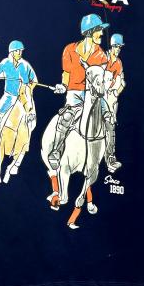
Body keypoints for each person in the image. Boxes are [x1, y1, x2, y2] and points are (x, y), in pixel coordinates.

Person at [49, 14, 121, 172]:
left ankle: (110, 156)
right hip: (74, 92)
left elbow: (100, 79)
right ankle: (56, 151)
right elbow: (66, 73)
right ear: (90, 32)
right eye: (99, 30)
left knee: (109, 120)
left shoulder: (101, 55)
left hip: (94, 94)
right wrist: (63, 86)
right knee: (66, 117)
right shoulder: (69, 50)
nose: (101, 33)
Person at [0, 40, 37, 146]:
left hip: (23, 94)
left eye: (21, 51)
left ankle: (29, 120)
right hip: (9, 95)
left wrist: (29, 87)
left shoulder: (25, 65)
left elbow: (34, 79)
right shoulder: (5, 63)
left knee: (30, 110)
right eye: (17, 51)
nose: (20, 53)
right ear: (12, 52)